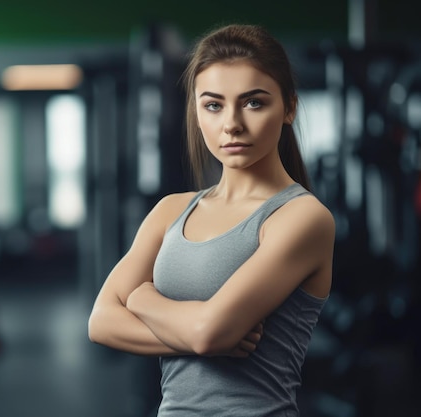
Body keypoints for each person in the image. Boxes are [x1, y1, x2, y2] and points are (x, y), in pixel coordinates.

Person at [88, 23, 336, 416]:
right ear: (197, 112)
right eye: (214, 104)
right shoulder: (172, 210)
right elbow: (101, 321)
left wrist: (142, 297)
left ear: (289, 107)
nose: (231, 123)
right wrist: (195, 333)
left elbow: (210, 332)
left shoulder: (303, 217)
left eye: (253, 102)